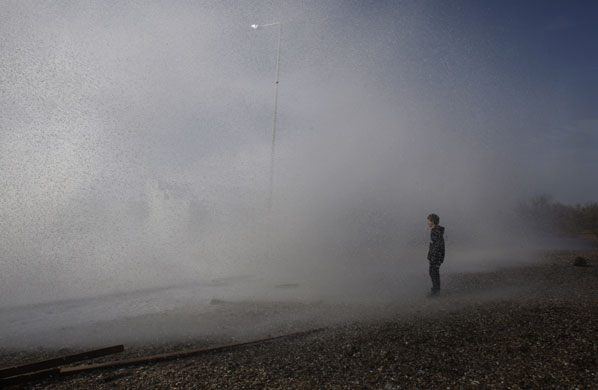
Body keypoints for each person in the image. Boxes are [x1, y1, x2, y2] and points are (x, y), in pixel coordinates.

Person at [426, 213, 445, 297]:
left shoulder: (436, 231)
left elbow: (438, 245)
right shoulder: (435, 230)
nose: (427, 222)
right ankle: (435, 290)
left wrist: (433, 256)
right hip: (436, 256)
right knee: (433, 272)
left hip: (436, 256)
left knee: (433, 272)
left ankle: (436, 291)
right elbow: (434, 244)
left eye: (428, 221)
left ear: (432, 221)